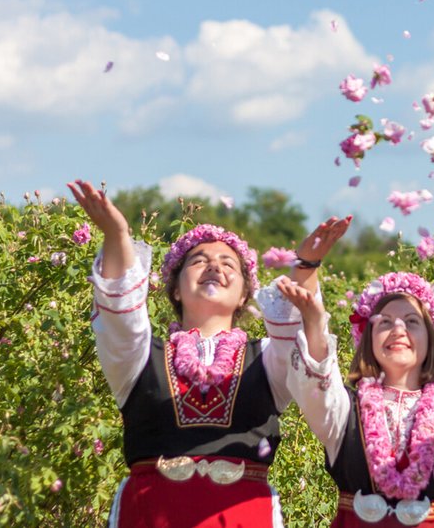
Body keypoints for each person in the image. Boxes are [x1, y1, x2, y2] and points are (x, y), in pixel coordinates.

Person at [66, 179, 351, 528]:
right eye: (199, 261)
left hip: (242, 518)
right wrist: (117, 234)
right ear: (175, 289)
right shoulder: (139, 358)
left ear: (246, 294)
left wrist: (305, 266)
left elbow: (298, 332)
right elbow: (118, 315)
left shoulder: (265, 360)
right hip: (151, 516)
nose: (214, 266)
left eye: (228, 264)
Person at [271, 268, 434, 527]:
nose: (397, 329)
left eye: (411, 321)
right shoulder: (344, 410)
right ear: (368, 338)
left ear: (432, 338)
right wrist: (314, 322)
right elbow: (316, 390)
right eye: (384, 322)